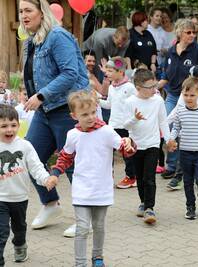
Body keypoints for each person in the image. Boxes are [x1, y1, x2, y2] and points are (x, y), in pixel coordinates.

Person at [20, 0, 89, 234]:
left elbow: (71, 73)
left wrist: (41, 95)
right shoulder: (31, 41)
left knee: (71, 164)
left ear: (42, 12)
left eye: (28, 10)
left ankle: (84, 219)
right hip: (45, 111)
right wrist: (28, 93)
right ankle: (50, 205)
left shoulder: (58, 36)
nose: (23, 15)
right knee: (30, 157)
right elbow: (35, 74)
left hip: (67, 108)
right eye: (21, 11)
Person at [47, 91, 135, 267]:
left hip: (102, 188)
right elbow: (65, 156)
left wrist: (128, 142)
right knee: (82, 228)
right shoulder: (73, 134)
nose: (90, 117)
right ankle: (80, 263)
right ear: (74, 116)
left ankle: (98, 257)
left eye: (93, 112)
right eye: (85, 114)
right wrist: (55, 174)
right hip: (81, 188)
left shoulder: (107, 131)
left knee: (99, 226)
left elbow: (126, 151)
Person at [158, 18, 198, 186]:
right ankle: (171, 165)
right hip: (172, 95)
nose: (192, 35)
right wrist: (157, 85)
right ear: (179, 33)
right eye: (188, 32)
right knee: (170, 127)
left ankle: (188, 168)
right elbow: (166, 74)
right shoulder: (170, 51)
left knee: (189, 131)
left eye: (194, 32)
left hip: (192, 97)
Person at [0, 104, 53, 266]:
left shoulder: (25, 146)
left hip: (20, 197)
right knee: (1, 232)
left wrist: (46, 179)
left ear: (19, 125)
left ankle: (20, 245)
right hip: (0, 198)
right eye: (3, 126)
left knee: (19, 228)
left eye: (13, 125)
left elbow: (36, 166)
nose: (9, 130)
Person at [123, 69, 170, 224]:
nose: (154, 89)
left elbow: (163, 121)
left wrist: (169, 140)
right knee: (140, 177)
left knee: (149, 177)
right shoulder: (130, 102)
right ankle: (143, 202)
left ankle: (150, 208)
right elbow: (126, 125)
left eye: (154, 85)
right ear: (138, 87)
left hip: (153, 144)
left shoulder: (158, 100)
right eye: (150, 87)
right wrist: (135, 119)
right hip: (136, 145)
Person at [167, 77, 198, 220]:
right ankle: (190, 207)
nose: (188, 98)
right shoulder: (180, 111)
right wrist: (171, 138)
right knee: (187, 182)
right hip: (185, 152)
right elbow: (176, 128)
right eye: (185, 95)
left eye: (192, 95)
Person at [99, 57, 137, 189]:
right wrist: (97, 100)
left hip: (125, 125)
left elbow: (137, 103)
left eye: (110, 71)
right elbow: (109, 104)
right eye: (107, 70)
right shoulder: (111, 87)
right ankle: (107, 176)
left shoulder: (130, 87)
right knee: (107, 151)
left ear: (121, 72)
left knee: (127, 153)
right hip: (113, 125)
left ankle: (131, 177)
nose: (107, 73)